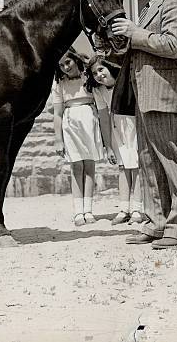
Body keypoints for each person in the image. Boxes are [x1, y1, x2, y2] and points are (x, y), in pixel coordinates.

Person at [111, 0, 177, 249]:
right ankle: (156, 222)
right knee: (147, 160)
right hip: (142, 93)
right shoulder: (146, 9)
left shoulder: (173, 5)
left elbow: (173, 45)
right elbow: (140, 47)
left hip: (161, 92)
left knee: (171, 159)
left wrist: (135, 33)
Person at [85, 55, 144, 226]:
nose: (98, 75)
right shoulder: (98, 90)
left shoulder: (124, 81)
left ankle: (137, 209)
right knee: (123, 166)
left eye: (101, 69)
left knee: (137, 166)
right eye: (94, 73)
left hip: (133, 122)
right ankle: (124, 208)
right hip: (116, 126)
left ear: (109, 67)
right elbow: (104, 117)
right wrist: (108, 145)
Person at [53, 47, 104, 226]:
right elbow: (57, 114)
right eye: (61, 65)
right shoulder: (60, 84)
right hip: (70, 124)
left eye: (68, 62)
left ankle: (88, 210)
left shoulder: (88, 79)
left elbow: (101, 105)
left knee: (89, 165)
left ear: (75, 59)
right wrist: (58, 139)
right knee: (76, 167)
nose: (65, 67)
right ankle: (78, 211)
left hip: (89, 122)